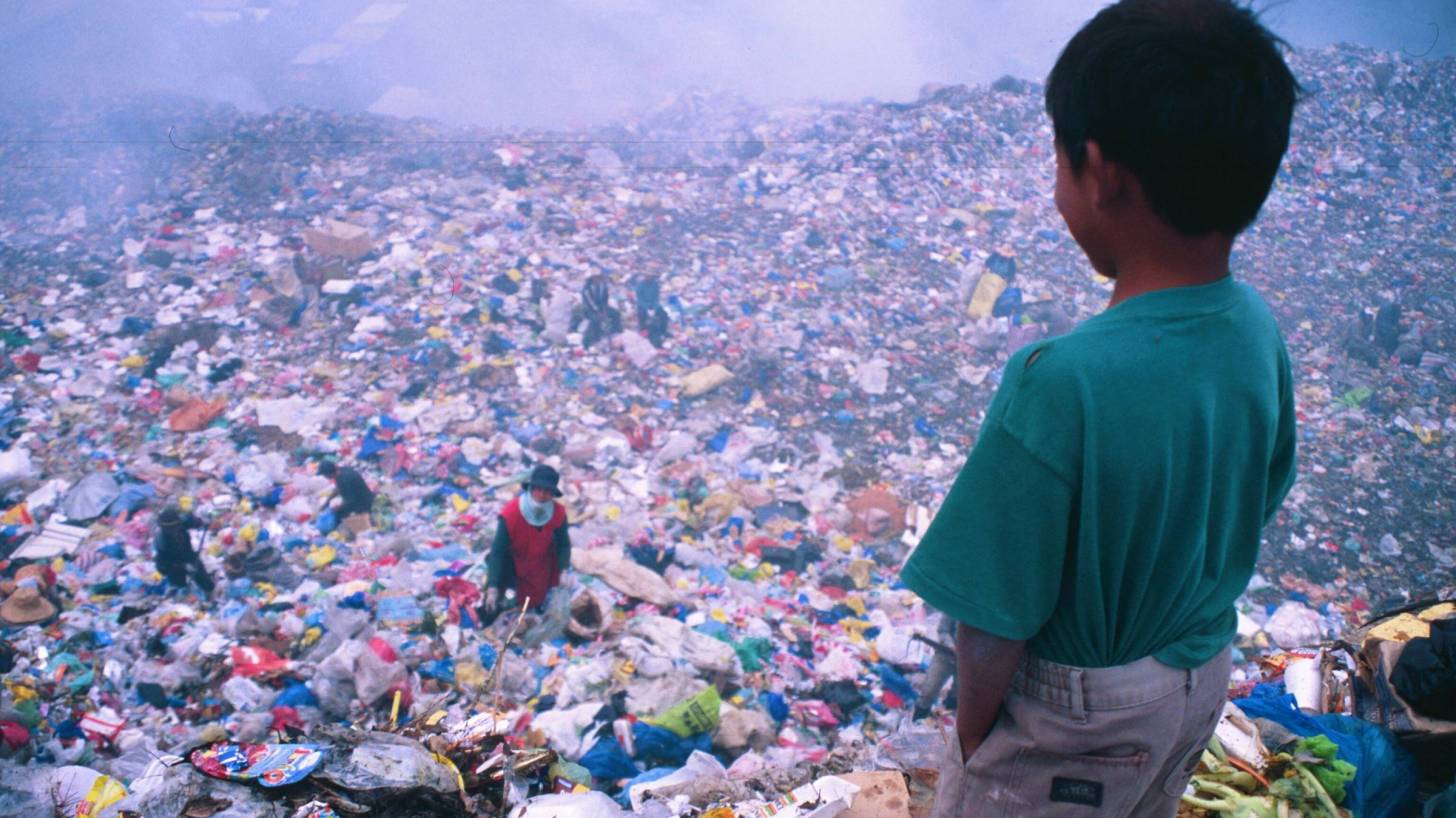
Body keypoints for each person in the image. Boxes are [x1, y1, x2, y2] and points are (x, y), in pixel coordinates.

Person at [900, 2, 1299, 816]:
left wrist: (976, 744)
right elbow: (1261, 491)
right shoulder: (1256, 328)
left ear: (1099, 170)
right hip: (1195, 680)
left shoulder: (1060, 379)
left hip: (1076, 719)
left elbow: (990, 620)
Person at [482, 465, 572, 615]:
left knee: (535, 604)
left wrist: (563, 569)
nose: (542, 495)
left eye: (547, 491)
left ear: (552, 494)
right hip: (513, 565)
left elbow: (564, 545)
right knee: (499, 606)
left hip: (541, 566)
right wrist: (492, 587)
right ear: (531, 489)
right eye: (538, 489)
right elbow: (498, 552)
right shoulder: (511, 513)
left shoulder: (558, 513)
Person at [154, 505, 215, 595]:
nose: (173, 530)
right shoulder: (162, 540)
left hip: (188, 555)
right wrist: (182, 566)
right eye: (170, 529)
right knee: (180, 587)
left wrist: (203, 522)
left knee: (206, 582)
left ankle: (209, 593)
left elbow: (194, 522)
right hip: (173, 565)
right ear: (164, 528)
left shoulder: (181, 522)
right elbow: (163, 563)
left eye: (175, 527)